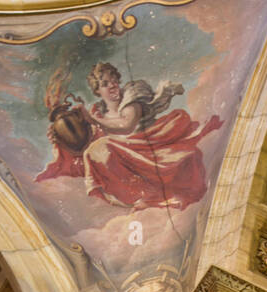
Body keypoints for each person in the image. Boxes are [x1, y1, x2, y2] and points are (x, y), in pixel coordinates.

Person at [36, 61, 222, 212]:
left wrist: (91, 120)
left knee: (102, 145)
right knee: (94, 152)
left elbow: (126, 126)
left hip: (151, 148)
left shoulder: (132, 95)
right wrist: (60, 143)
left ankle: (149, 195)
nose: (112, 85)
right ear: (97, 91)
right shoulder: (98, 113)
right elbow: (87, 161)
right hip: (128, 165)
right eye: (105, 84)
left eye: (113, 79)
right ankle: (136, 197)